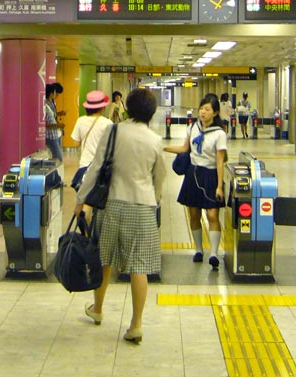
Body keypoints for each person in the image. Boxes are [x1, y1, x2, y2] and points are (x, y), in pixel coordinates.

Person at [75, 88, 164, 344]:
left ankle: (98, 309)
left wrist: (81, 199)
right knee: (139, 266)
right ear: (152, 113)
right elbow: (159, 177)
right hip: (142, 205)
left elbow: (95, 168)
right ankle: (136, 324)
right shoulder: (155, 140)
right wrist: (155, 199)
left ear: (128, 109)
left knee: (104, 259)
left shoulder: (113, 131)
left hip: (112, 203)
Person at [166, 93, 227, 270]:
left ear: (215, 112)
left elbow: (220, 161)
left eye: (207, 109)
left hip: (211, 175)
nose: (203, 112)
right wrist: (163, 147)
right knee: (194, 215)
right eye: (201, 108)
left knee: (212, 215)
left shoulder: (219, 133)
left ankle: (214, 253)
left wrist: (219, 186)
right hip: (193, 174)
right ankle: (198, 249)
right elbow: (185, 148)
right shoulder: (193, 127)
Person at [69, 89, 113, 192]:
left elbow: (76, 143)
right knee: (99, 196)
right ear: (103, 107)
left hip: (85, 166)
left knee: (85, 195)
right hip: (101, 167)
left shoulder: (80, 121)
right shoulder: (107, 123)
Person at [44, 82, 65, 164]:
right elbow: (45, 123)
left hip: (55, 133)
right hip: (50, 135)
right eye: (55, 93)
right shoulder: (45, 105)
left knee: (57, 156)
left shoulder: (52, 102)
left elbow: (53, 115)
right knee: (58, 157)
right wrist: (57, 125)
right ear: (51, 93)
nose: (56, 95)